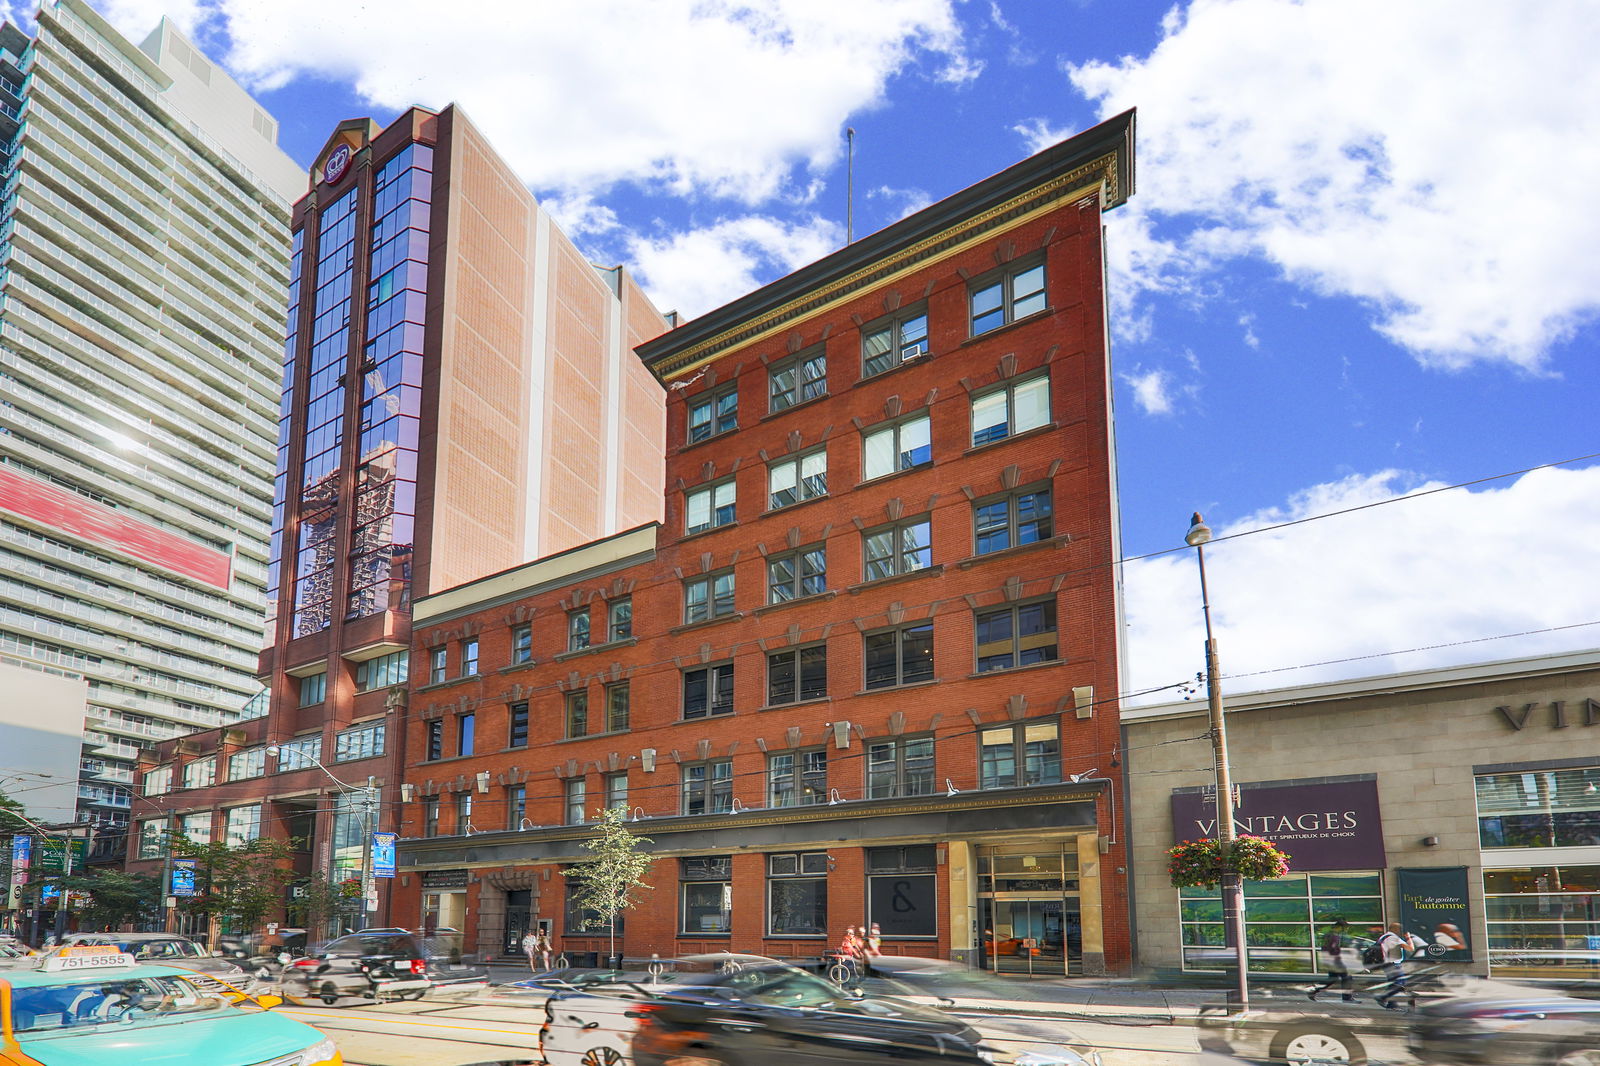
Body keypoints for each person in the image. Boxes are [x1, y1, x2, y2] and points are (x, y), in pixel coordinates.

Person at [1373, 922, 1421, 1010]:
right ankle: (1382, 997)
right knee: (1399, 983)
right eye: (1399, 929)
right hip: (1393, 964)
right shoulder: (1394, 938)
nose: (1400, 931)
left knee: (1393, 984)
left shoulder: (1384, 936)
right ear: (1395, 929)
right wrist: (1408, 937)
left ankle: (1392, 1005)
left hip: (1385, 964)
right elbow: (1411, 948)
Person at [1308, 918, 1357, 1002]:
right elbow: (1333, 949)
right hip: (1335, 961)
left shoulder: (1329, 935)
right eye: (1345, 928)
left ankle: (1313, 990)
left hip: (1330, 960)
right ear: (1340, 927)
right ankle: (1347, 998)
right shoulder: (1334, 936)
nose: (1345, 931)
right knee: (1347, 977)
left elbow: (1325, 948)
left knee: (1332, 979)